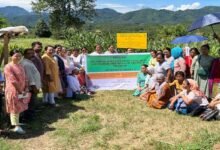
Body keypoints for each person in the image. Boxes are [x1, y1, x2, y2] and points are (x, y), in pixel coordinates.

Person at [4, 50, 31, 134]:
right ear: (11, 56)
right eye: (16, 56)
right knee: (14, 108)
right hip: (13, 90)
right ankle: (16, 126)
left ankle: (17, 123)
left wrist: (26, 87)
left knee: (19, 107)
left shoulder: (20, 66)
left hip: (22, 90)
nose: (18, 58)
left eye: (19, 56)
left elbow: (25, 77)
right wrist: (20, 90)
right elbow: (13, 81)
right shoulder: (8, 67)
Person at [20, 48, 41, 120]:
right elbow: (30, 77)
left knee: (31, 102)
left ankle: (30, 116)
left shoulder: (29, 62)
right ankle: (29, 117)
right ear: (25, 54)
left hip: (32, 86)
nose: (32, 55)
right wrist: (34, 87)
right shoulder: (26, 64)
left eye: (32, 53)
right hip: (31, 87)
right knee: (31, 102)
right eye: (29, 53)